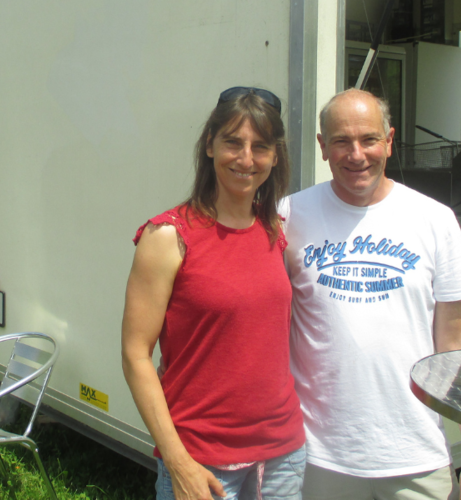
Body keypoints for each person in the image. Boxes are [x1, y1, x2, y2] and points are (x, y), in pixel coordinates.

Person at [279, 89, 461, 500]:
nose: (356, 154)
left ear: (390, 141)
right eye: (341, 141)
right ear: (323, 147)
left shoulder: (435, 220)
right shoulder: (289, 216)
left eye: (369, 139)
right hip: (317, 457)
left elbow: (456, 342)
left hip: (416, 454)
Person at [122, 87, 305, 500]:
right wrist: (178, 461)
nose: (246, 159)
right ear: (209, 145)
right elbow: (135, 354)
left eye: (260, 147)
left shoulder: (276, 229)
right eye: (232, 142)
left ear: (275, 156)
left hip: (283, 457)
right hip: (200, 459)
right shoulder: (168, 236)